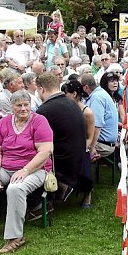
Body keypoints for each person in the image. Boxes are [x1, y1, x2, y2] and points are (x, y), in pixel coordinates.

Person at [0, 91, 53, 254]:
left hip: (35, 169)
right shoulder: (4, 123)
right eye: (18, 105)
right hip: (6, 167)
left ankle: (15, 237)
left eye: (26, 105)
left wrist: (25, 170)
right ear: (11, 106)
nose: (23, 108)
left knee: (15, 189)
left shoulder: (39, 121)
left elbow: (45, 151)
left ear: (30, 105)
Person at [36, 73, 88, 201]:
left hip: (62, 163)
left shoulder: (45, 110)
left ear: (41, 89)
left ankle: (39, 200)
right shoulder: (72, 103)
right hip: (78, 158)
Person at [61, 78, 97, 208]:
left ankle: (87, 194)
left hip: (82, 146)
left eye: (66, 93)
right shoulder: (64, 109)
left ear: (74, 94)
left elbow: (90, 136)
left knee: (84, 163)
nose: (64, 96)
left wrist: (81, 148)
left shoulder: (87, 112)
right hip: (68, 145)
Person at [80, 73, 119, 162]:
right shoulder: (100, 92)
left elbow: (96, 126)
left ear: (86, 87)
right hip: (104, 141)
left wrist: (92, 147)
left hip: (103, 144)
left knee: (71, 146)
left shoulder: (97, 97)